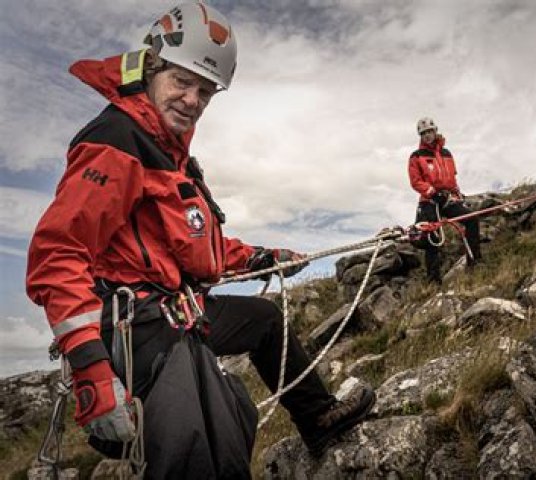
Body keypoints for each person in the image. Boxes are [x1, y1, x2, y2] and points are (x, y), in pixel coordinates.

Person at [26, 3, 374, 477]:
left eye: (205, 92)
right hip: (139, 329)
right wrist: (90, 367)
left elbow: (190, 246)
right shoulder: (117, 140)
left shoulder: (172, 156)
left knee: (265, 322)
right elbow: (58, 252)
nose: (192, 100)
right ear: (151, 68)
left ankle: (316, 419)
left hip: (176, 310)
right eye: (182, 82)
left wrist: (260, 258)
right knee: (206, 441)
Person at [408, 117, 482, 284]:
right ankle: (433, 281)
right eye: (423, 133)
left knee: (471, 219)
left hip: (447, 199)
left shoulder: (447, 154)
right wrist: (432, 192)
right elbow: (416, 181)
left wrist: (456, 193)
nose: (427, 135)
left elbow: (452, 178)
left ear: (435, 131)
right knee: (431, 237)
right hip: (429, 201)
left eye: (429, 131)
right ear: (420, 136)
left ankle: (475, 263)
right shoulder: (416, 156)